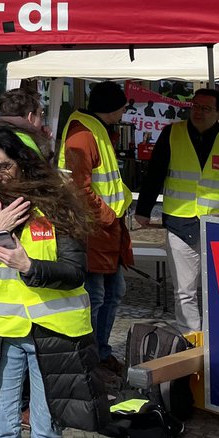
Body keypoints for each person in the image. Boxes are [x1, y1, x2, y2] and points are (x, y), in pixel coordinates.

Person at [0, 125, 106, 438]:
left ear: (22, 162)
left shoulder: (56, 201)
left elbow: (75, 271)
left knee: (46, 430)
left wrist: (29, 266)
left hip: (55, 332)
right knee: (2, 426)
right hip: (1, 332)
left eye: (3, 167)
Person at [135, 89, 219, 332]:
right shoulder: (172, 133)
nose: (198, 112)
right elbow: (155, 173)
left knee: (218, 290)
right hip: (180, 222)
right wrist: (143, 209)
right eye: (195, 106)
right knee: (184, 292)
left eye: (206, 108)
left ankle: (218, 338)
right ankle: (191, 342)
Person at [57, 80, 134, 382]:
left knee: (112, 293)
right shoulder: (84, 133)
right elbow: (79, 186)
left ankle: (99, 353)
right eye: (123, 107)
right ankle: (88, 360)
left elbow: (105, 181)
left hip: (104, 229)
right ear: (115, 108)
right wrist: (107, 215)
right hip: (92, 230)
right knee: (97, 296)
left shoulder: (94, 129)